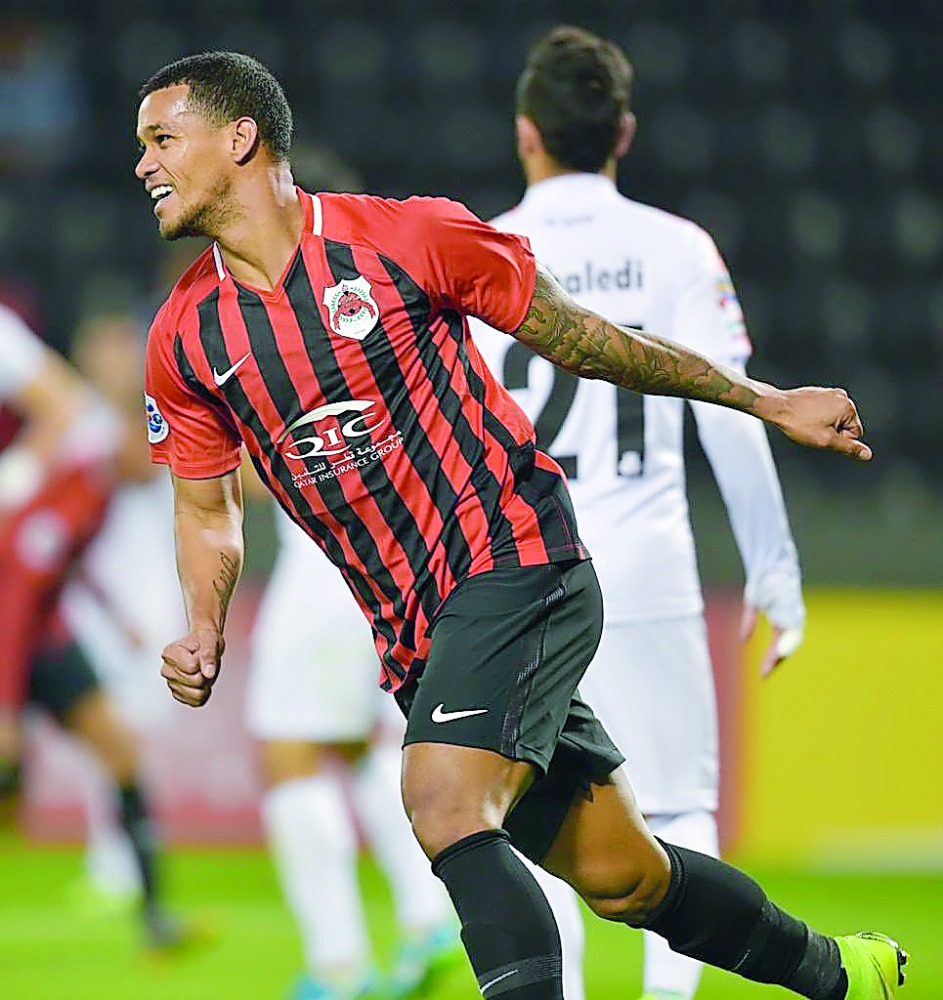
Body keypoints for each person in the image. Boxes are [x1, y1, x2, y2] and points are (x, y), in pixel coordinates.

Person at [136, 51, 904, 1000]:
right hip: (415, 630)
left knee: (440, 800)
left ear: (240, 137)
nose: (144, 164)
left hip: (516, 558)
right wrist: (206, 624)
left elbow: (592, 340)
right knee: (625, 875)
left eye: (163, 138)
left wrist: (759, 400)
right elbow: (205, 506)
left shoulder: (407, 238)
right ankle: (839, 972)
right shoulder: (184, 338)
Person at [470, 26, 806, 1000]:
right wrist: (772, 567)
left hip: (526, 566)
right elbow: (732, 409)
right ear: (622, 132)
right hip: (647, 562)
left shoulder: (484, 251)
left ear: (526, 132)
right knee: (678, 810)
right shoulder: (675, 248)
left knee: (533, 817)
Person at [0, 302, 190, 949]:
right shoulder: (69, 485)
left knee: (120, 749)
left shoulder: (89, 487)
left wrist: (114, 615)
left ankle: (155, 916)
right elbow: (21, 587)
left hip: (42, 632)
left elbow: (63, 572)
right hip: (13, 634)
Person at [245, 487, 462, 1000]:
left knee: (287, 755)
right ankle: (426, 914)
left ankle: (339, 963)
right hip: (383, 568)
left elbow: (257, 467)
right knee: (353, 745)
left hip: (323, 573)